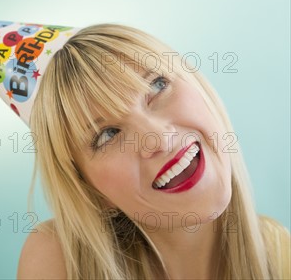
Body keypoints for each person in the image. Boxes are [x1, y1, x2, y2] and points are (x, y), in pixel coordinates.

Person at [17, 23, 290, 280]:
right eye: (108, 135)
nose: (158, 139)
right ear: (88, 189)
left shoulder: (282, 257)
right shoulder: (57, 259)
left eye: (157, 85)